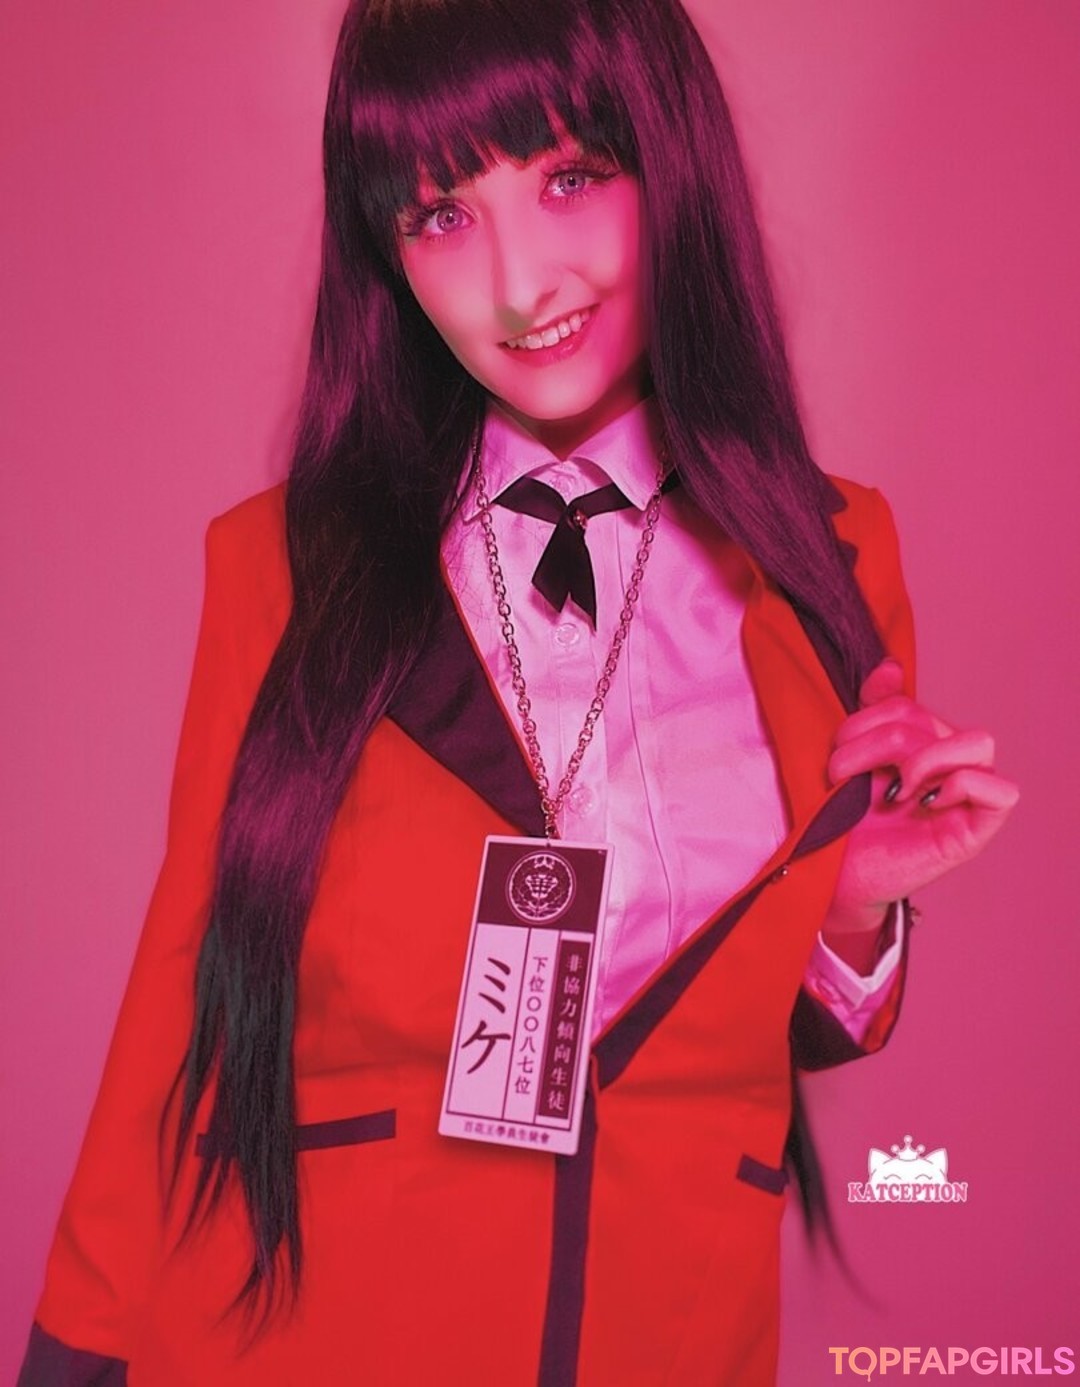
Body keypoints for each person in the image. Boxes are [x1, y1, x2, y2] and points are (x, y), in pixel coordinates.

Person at [18, 0, 1019, 1383]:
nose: (517, 286)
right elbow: (185, 995)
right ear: (384, 253)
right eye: (441, 216)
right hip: (323, 1334)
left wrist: (850, 909)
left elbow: (763, 1021)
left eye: (569, 177)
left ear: (671, 163)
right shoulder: (281, 565)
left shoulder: (833, 551)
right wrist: (77, 1352)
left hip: (672, 1332)